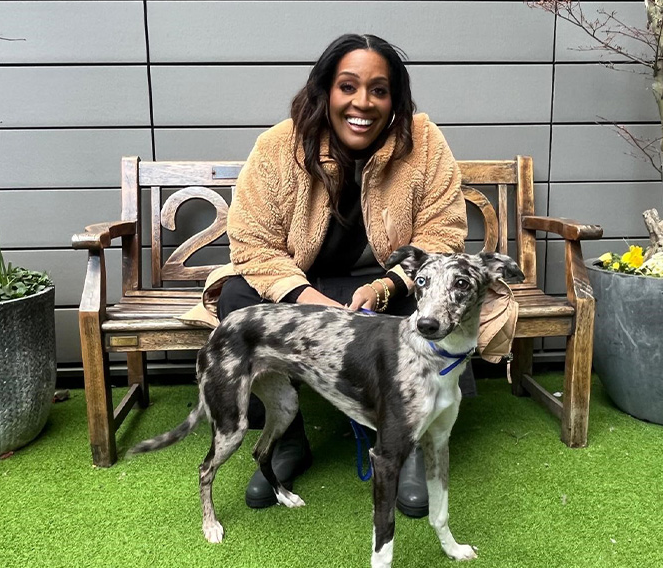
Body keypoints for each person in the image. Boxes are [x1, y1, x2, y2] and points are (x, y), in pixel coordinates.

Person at [198, 33, 473, 518]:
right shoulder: (279, 146)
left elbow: (443, 232)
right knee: (240, 299)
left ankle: (407, 438)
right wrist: (308, 301)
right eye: (348, 86)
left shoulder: (424, 142)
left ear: (395, 99)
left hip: (384, 282)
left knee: (428, 301)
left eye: (379, 90)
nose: (362, 103)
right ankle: (287, 440)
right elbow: (252, 243)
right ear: (325, 90)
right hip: (304, 283)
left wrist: (390, 285)